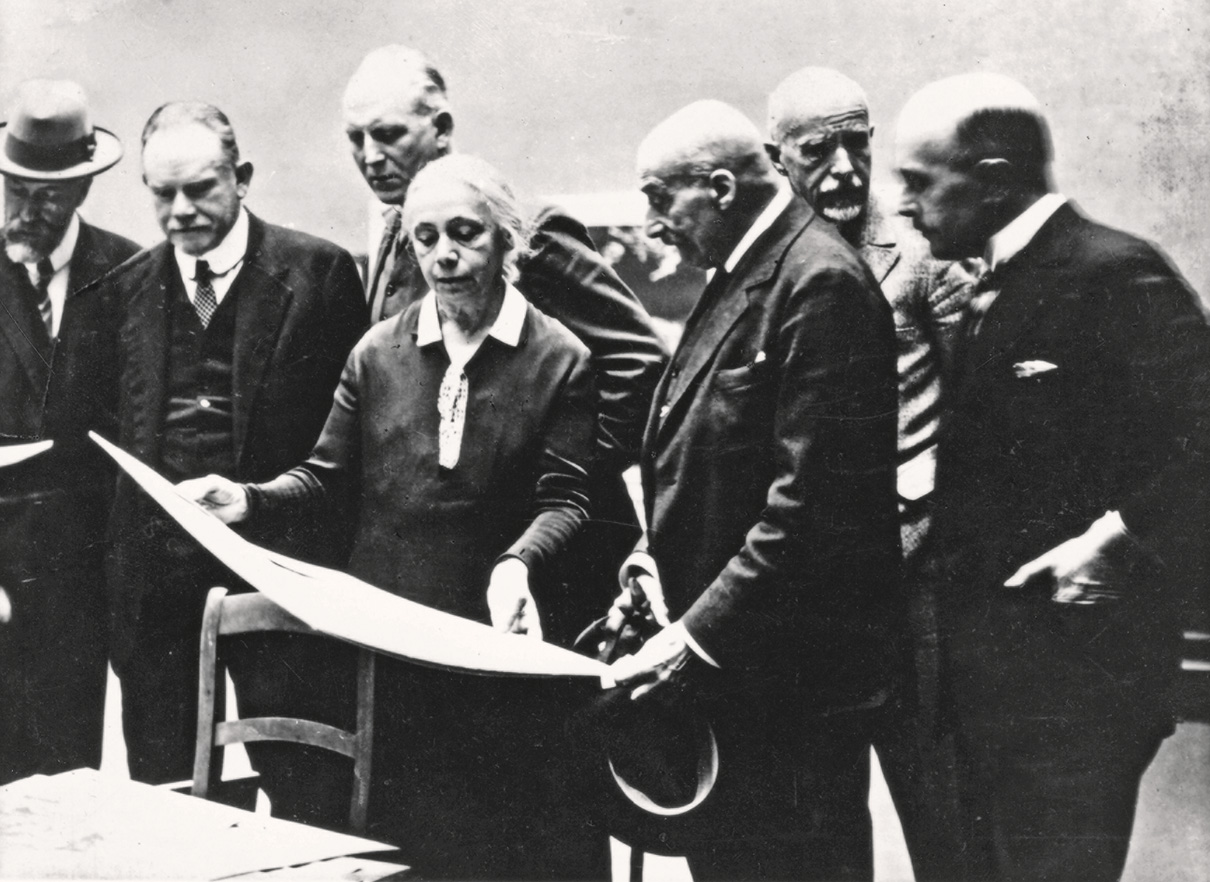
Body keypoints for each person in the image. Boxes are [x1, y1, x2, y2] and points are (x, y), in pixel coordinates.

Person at [180, 154, 598, 878]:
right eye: (425, 237)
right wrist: (248, 498)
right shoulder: (378, 353)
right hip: (388, 661)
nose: (444, 255)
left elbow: (567, 499)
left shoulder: (560, 358)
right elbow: (325, 478)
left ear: (508, 242)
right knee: (406, 849)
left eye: (465, 233)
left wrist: (517, 562)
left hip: (494, 655)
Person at [895, 72, 1210, 881]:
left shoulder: (1114, 274)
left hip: (1079, 697)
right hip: (992, 694)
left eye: (920, 183)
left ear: (995, 181)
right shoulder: (985, 289)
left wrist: (1112, 541)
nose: (904, 206)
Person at [608, 100, 901, 880]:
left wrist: (695, 637)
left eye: (659, 197)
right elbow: (710, 461)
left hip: (791, 698)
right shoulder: (750, 270)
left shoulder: (819, 284)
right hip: (742, 687)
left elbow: (808, 510)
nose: (652, 221)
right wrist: (652, 568)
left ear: (720, 188)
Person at [342, 45, 667, 646]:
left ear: (441, 129)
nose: (370, 155)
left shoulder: (529, 230)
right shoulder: (393, 231)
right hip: (440, 564)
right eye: (355, 138)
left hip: (546, 555)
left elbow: (642, 365)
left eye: (387, 134)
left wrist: (548, 466)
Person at [92, 102, 368, 786]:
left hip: (281, 574)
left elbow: (353, 443)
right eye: (163, 194)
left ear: (241, 178)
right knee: (170, 793)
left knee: (306, 781)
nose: (181, 210)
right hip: (156, 592)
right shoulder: (123, 291)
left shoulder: (320, 274)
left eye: (200, 189)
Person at [766, 66, 975, 879]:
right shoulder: (770, 269)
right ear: (775, 157)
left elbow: (977, 405)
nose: (845, 169)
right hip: (811, 595)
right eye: (819, 150)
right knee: (819, 826)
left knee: (943, 814)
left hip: (915, 579)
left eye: (859, 144)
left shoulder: (918, 255)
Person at [0, 79, 140, 785]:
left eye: (47, 193)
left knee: (68, 779)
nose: (27, 208)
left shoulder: (129, 274)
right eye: (14, 187)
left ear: (83, 188)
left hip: (80, 584)